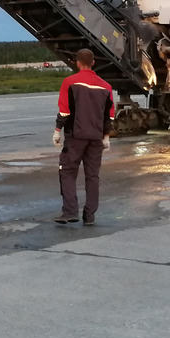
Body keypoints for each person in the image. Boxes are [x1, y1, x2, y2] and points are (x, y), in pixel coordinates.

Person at [53, 48, 115, 225]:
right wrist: (106, 136)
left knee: (67, 172)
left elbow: (64, 111)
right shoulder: (106, 86)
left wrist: (57, 131)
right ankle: (89, 217)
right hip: (96, 137)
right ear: (93, 62)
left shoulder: (69, 82)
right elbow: (109, 115)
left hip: (76, 136)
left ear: (77, 62)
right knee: (92, 176)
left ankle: (70, 212)